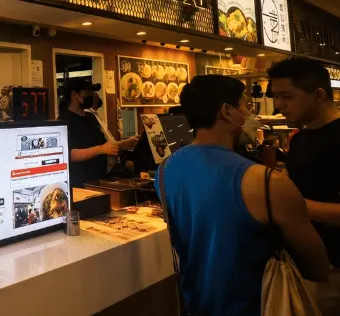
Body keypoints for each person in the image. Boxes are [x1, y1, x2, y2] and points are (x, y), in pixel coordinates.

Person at [160, 75, 329, 316]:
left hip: (196, 304)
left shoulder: (166, 169)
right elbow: (317, 268)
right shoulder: (267, 183)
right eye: (246, 107)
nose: (251, 116)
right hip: (258, 307)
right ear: (227, 112)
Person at [268, 58, 340, 309]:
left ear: (319, 94)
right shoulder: (300, 138)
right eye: (275, 96)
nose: (279, 105)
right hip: (302, 261)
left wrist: (294, 206)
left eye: (286, 96)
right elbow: (290, 181)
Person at [59, 80, 138, 187]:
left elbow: (103, 145)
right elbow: (69, 154)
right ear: (74, 95)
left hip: (100, 179)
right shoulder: (63, 121)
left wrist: (124, 144)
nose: (91, 96)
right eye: (87, 92)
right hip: (81, 183)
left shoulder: (90, 117)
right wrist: (100, 149)